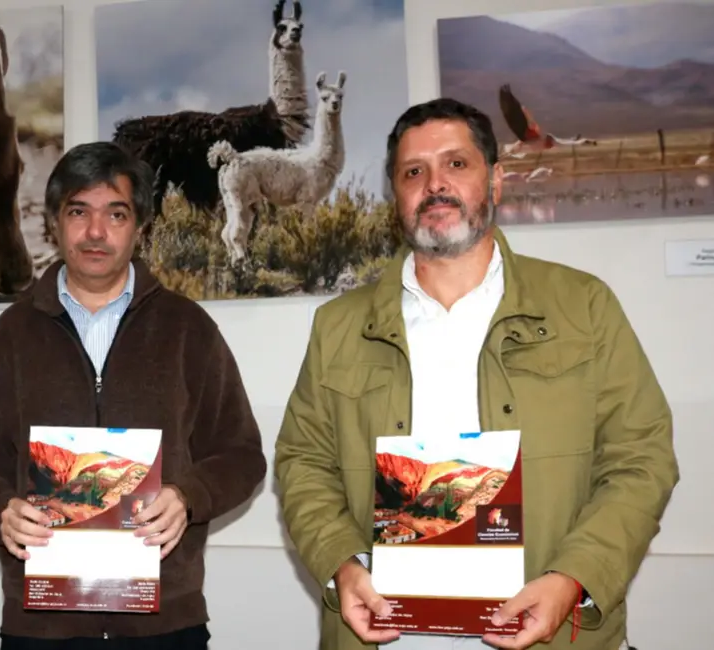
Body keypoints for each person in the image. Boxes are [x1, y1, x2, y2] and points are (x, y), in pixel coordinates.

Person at [274, 98, 678, 650]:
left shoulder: (583, 306)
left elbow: (641, 458)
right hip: (387, 634)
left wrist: (573, 578)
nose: (434, 184)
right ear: (396, 196)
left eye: (456, 164)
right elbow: (303, 462)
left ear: (496, 181)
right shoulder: (338, 326)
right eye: (413, 172)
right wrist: (343, 564)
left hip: (547, 632)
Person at [0, 141, 267, 649]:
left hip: (164, 626)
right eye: (79, 212)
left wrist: (189, 496)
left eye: (116, 214)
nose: (96, 232)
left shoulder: (188, 329)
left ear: (141, 228)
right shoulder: (12, 335)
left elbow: (242, 455)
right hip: (41, 627)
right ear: (54, 223)